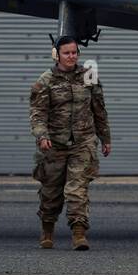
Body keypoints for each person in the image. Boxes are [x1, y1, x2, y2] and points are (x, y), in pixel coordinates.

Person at [29, 36, 111, 250]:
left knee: (77, 189)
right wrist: (42, 136)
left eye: (74, 52)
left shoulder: (89, 77)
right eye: (67, 53)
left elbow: (99, 109)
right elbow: (38, 113)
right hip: (54, 144)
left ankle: (79, 234)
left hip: (83, 142)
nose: (71, 56)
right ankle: (47, 231)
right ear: (57, 54)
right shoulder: (46, 80)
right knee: (51, 192)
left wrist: (105, 138)